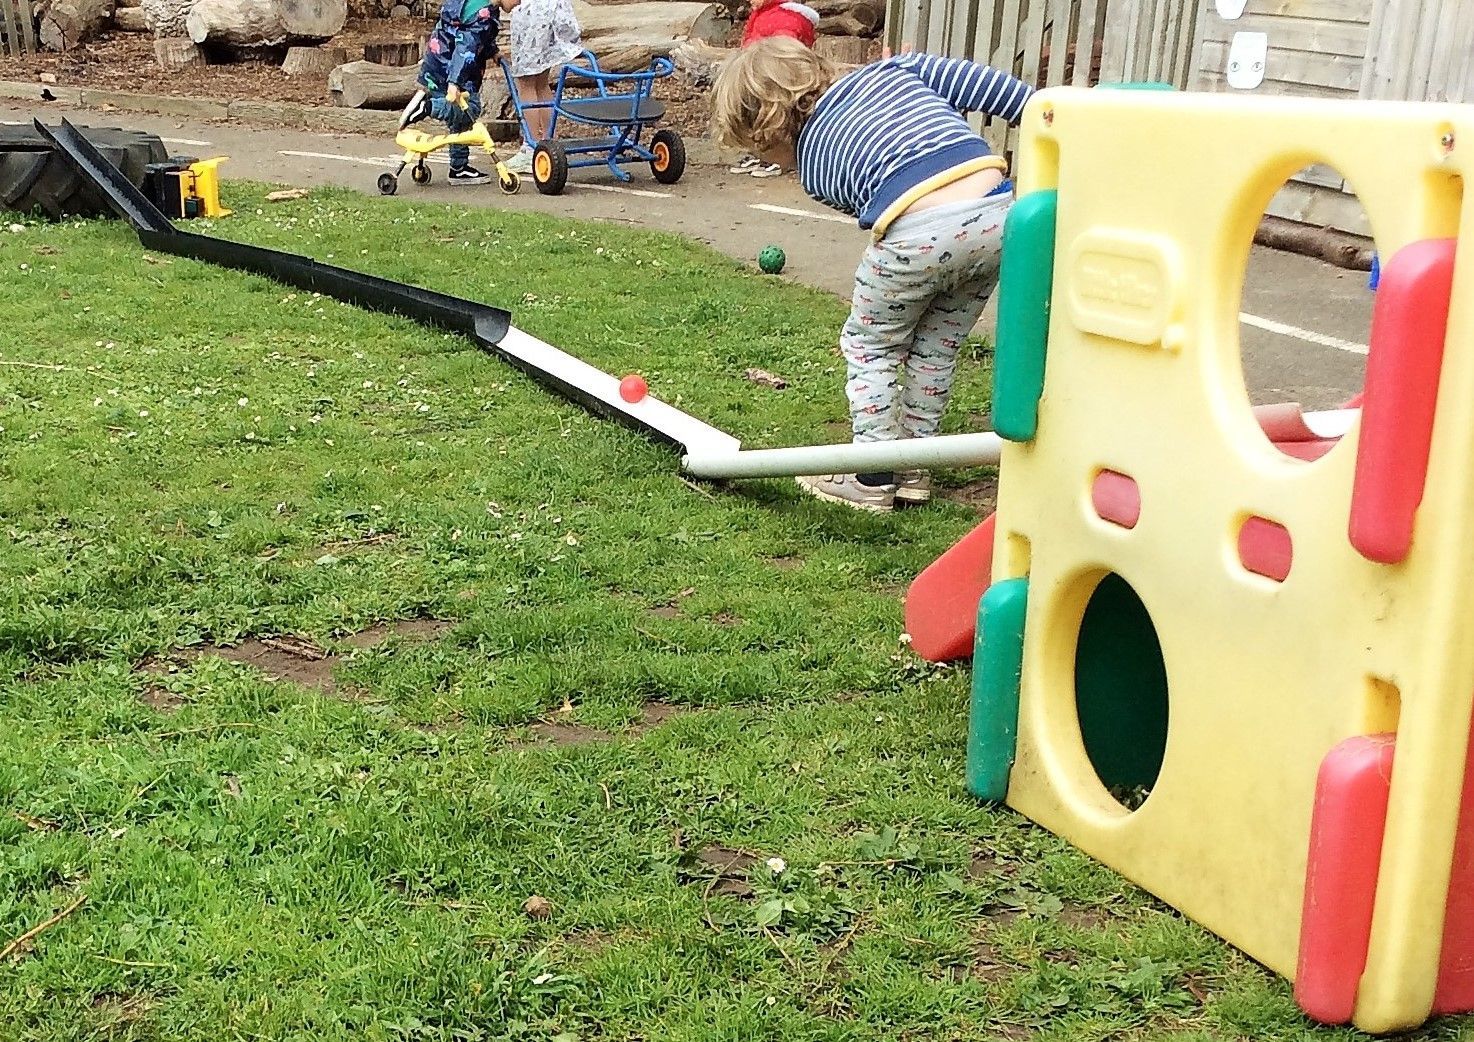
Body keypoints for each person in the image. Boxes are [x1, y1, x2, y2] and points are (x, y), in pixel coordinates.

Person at [712, 37, 1033, 512]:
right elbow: (989, 87)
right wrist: (1043, 116)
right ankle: (916, 467)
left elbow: (875, 212)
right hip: (999, 216)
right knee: (937, 347)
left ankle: (873, 475)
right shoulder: (899, 70)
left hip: (914, 234)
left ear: (766, 127)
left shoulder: (813, 168)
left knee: (873, 344)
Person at [400, 0, 522, 185]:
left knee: (460, 121)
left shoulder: (480, 6)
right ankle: (427, 107)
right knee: (470, 109)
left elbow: (475, 36)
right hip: (453, 70)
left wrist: (492, 51)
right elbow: (466, 47)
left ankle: (459, 168)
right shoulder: (483, 16)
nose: (519, 3)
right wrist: (455, 82)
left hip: (438, 62)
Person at [727, 0, 819, 178]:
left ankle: (776, 157)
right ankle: (759, 153)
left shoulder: (785, 17)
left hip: (776, 77)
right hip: (758, 74)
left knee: (774, 115)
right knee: (755, 115)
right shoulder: (762, 14)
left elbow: (784, 49)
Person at [506, 0, 583, 173]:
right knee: (541, 81)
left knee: (525, 82)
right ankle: (551, 143)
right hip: (554, 8)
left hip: (531, 13)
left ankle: (532, 146)